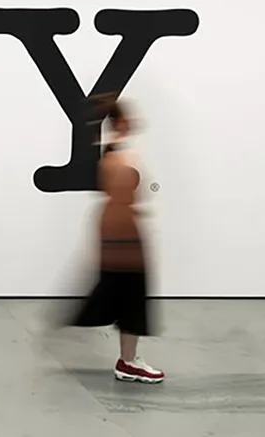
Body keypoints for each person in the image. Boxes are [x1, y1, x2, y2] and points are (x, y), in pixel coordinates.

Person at [65, 93, 164, 383]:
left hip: (120, 235)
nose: (135, 123)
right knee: (130, 300)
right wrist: (129, 244)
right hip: (123, 238)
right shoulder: (119, 157)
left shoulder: (113, 152)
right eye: (130, 118)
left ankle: (128, 360)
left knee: (126, 300)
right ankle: (129, 361)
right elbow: (122, 199)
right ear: (121, 122)